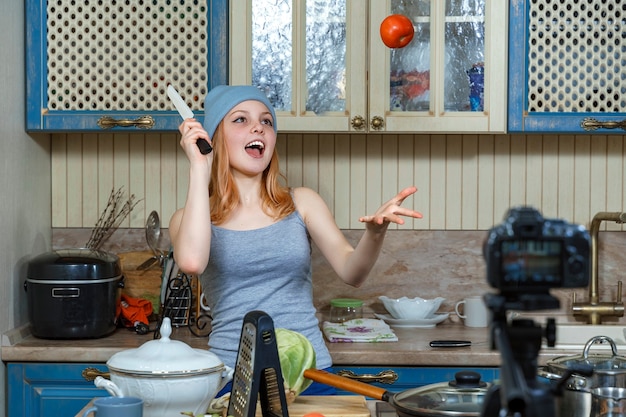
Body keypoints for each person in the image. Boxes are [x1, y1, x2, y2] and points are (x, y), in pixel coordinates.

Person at [169, 85, 422, 395]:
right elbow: (192, 262)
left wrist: (375, 233)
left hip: (310, 373)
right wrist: (199, 166)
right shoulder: (189, 218)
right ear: (213, 138)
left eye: (266, 121)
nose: (258, 126)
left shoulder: (302, 203)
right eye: (240, 119)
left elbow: (353, 273)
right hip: (231, 377)